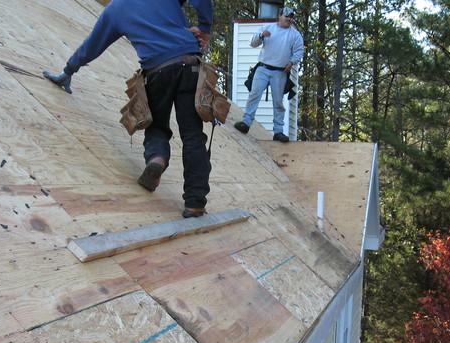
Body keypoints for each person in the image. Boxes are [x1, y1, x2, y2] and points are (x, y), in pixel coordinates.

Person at [43, 0, 213, 218]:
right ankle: (195, 204)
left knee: (157, 126)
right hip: (189, 63)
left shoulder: (115, 9)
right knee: (193, 136)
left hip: (157, 70)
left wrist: (68, 71)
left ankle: (157, 159)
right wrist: (205, 28)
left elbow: (91, 47)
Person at [234, 6, 304, 143]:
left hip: (280, 71)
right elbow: (252, 43)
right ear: (280, 15)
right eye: (287, 16)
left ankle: (278, 131)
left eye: (291, 17)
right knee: (254, 94)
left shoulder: (295, 34)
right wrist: (261, 35)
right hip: (263, 68)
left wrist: (292, 62)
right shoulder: (268, 28)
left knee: (278, 102)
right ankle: (246, 123)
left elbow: (299, 51)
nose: (289, 19)